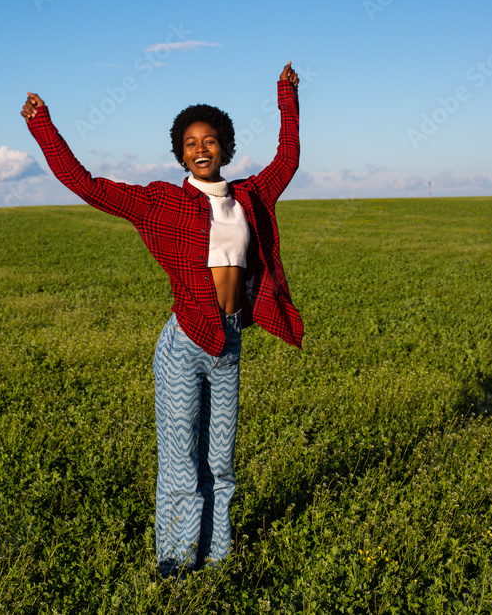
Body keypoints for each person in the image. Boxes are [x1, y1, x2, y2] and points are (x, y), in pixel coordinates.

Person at [20, 62, 304, 577]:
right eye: (190, 142)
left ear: (225, 148)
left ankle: (214, 558)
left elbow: (289, 157)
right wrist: (44, 126)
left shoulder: (252, 196)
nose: (201, 149)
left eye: (211, 140)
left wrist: (286, 93)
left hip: (230, 342)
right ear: (180, 153)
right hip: (184, 345)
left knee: (220, 463)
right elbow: (87, 185)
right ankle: (174, 559)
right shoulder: (162, 205)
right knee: (180, 463)